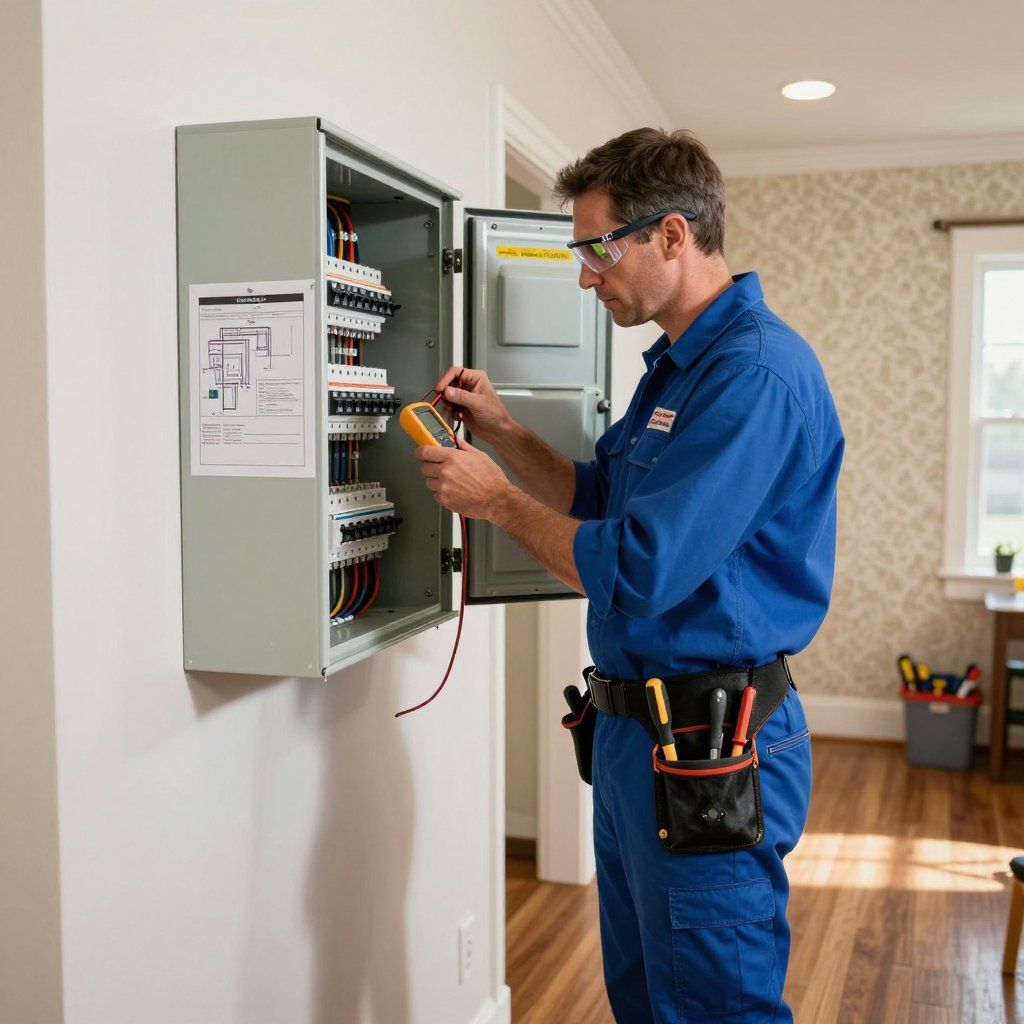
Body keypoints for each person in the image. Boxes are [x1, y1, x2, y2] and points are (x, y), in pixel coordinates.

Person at [415, 127, 844, 1024]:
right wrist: (500, 430)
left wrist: (492, 504)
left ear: (673, 235)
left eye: (598, 248)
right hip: (634, 739)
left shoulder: (755, 375)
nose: (585, 275)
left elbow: (639, 565)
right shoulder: (676, 368)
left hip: (710, 742)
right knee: (648, 997)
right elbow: (602, 494)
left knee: (713, 1006)